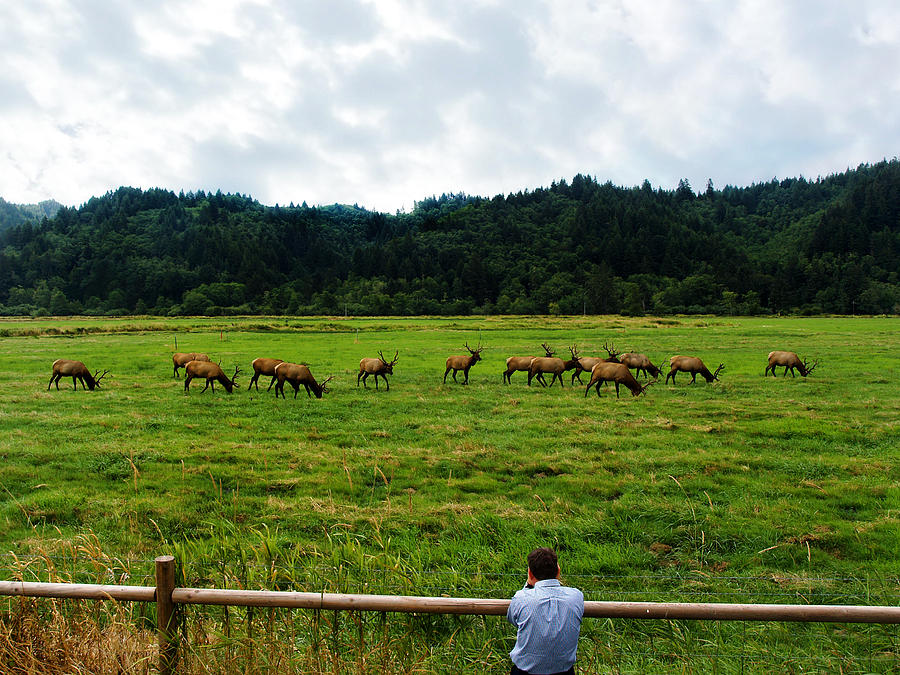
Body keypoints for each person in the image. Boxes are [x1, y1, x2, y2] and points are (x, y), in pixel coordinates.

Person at [507, 547, 584, 675]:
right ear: (558, 571)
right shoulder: (576, 596)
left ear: (530, 573)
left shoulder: (521, 598)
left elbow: (514, 621)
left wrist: (528, 585)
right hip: (564, 672)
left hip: (526, 672)